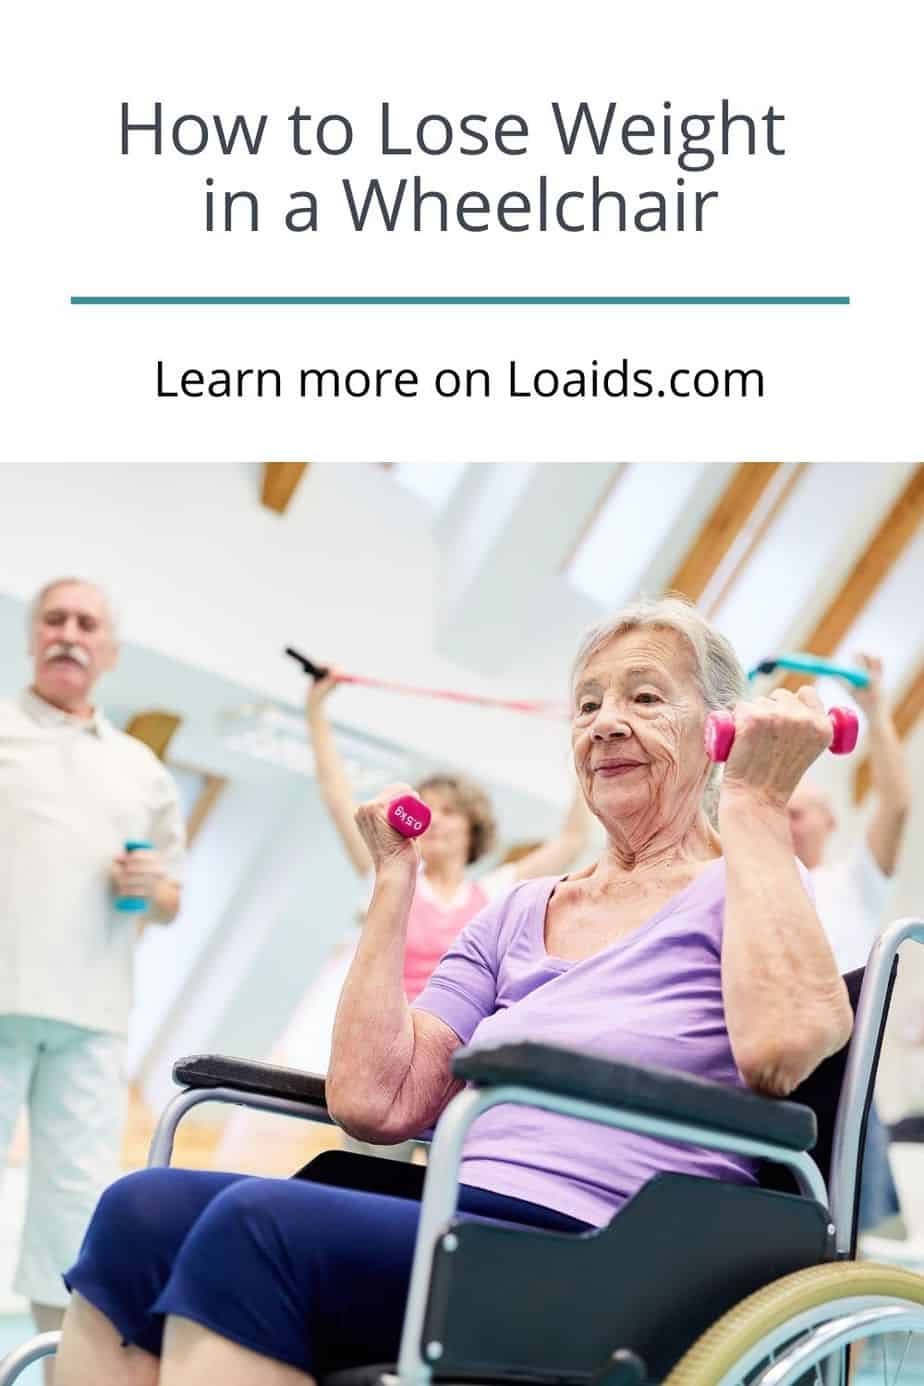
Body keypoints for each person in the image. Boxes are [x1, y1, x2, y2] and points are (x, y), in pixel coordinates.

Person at [56, 597, 853, 1386]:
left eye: (644, 697)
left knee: (257, 1231)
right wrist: (392, 885)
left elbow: (786, 1049)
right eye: (587, 704)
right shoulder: (515, 911)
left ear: (720, 729)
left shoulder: (750, 882)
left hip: (610, 1248)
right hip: (462, 1211)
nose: (606, 722)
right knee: (140, 1212)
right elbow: (377, 1102)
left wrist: (754, 801)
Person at [0, 578, 186, 1373]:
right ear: (32, 635)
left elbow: (172, 895)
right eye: (55, 620)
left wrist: (156, 891)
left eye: (87, 624)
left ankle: (58, 1368)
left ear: (109, 650)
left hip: (92, 1011)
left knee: (74, 1209)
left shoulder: (142, 770)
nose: (69, 634)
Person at [786, 653, 912, 1232]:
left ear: (830, 823)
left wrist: (875, 709)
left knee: (855, 1231)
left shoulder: (852, 883)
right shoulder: (750, 886)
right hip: (780, 1070)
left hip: (846, 1077)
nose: (789, 821)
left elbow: (898, 804)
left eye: (802, 812)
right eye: (781, 810)